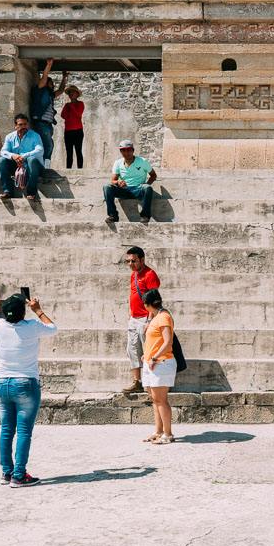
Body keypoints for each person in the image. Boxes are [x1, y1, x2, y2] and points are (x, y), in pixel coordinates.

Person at [0, 293, 57, 487]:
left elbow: (8, 317)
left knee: (6, 431)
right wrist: (37, 310)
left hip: (3, 383)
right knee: (23, 432)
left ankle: (7, 472)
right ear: (23, 312)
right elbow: (53, 328)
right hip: (25, 383)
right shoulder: (32, 326)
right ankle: (19, 475)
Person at [139, 288, 178, 445]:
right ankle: (158, 431)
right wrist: (147, 355)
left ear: (149, 304)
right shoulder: (156, 317)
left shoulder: (163, 317)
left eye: (145, 305)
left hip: (161, 362)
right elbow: (154, 342)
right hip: (151, 362)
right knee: (154, 399)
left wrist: (154, 357)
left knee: (161, 400)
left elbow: (168, 341)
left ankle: (168, 434)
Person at [121, 246, 161, 394]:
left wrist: (150, 320)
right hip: (134, 318)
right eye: (128, 261)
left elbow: (155, 299)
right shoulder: (134, 275)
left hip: (145, 318)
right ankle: (137, 382)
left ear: (142, 260)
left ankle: (152, 383)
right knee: (131, 350)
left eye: (133, 261)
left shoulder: (150, 274)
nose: (130, 264)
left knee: (148, 351)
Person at [104, 140, 157, 224]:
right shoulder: (118, 163)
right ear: (120, 151)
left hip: (138, 189)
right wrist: (118, 182)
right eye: (123, 150)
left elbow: (153, 175)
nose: (126, 152)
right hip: (124, 190)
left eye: (129, 150)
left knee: (147, 188)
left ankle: (145, 215)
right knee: (107, 187)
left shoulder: (142, 161)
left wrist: (146, 184)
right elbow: (113, 181)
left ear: (133, 150)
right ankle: (113, 215)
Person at [0, 114, 45, 201]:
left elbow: (40, 150)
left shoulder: (35, 136)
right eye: (20, 124)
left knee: (31, 159)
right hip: (17, 166)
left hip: (34, 167)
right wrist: (13, 155)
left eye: (25, 124)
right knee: (1, 161)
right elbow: (3, 152)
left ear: (28, 125)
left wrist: (23, 156)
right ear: (15, 126)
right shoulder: (10, 137)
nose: (23, 127)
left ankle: (31, 192)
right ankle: (7, 191)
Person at [30, 58, 60, 170]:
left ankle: (44, 164)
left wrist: (65, 78)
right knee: (48, 145)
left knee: (48, 144)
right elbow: (44, 78)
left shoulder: (50, 96)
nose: (53, 86)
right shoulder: (41, 91)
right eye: (52, 83)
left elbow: (61, 91)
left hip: (48, 124)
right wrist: (49, 65)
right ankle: (45, 166)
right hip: (41, 123)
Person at [60, 85, 85, 169]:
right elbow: (62, 115)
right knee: (69, 152)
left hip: (78, 131)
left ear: (77, 94)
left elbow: (78, 114)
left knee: (78, 151)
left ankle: (80, 169)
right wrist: (68, 110)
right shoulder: (67, 105)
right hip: (68, 131)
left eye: (73, 92)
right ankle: (68, 169)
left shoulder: (80, 104)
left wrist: (72, 107)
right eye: (70, 92)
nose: (71, 94)